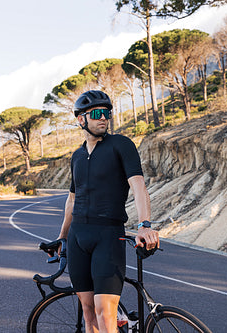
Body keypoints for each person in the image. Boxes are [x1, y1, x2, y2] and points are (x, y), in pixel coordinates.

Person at [57, 90, 159, 333]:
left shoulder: (120, 145)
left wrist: (145, 225)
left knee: (106, 312)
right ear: (81, 119)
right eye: (97, 113)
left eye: (107, 113)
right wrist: (62, 237)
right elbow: (71, 200)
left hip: (108, 235)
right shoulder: (77, 156)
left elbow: (138, 185)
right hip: (78, 237)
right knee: (88, 311)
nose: (104, 118)